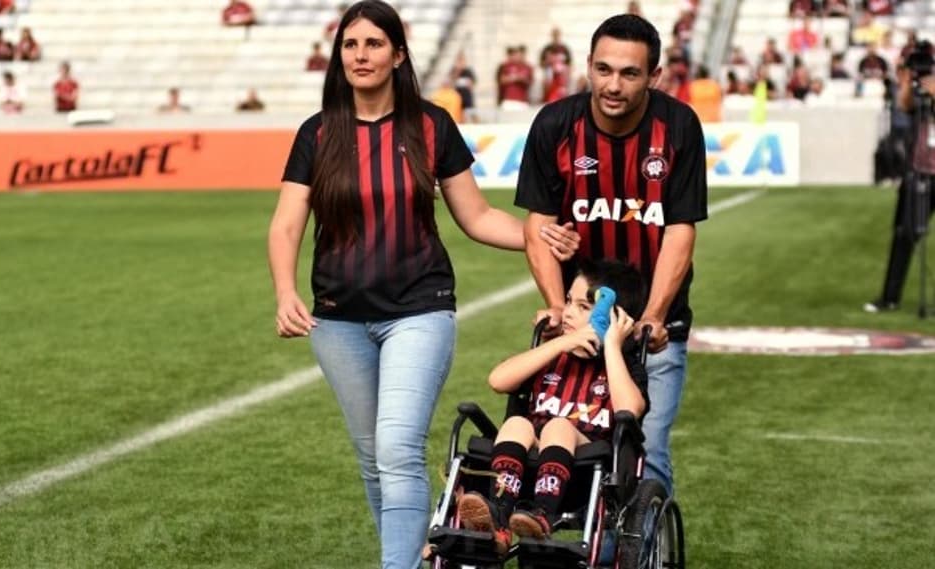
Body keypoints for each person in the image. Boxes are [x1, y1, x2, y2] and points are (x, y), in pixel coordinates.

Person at [267, 3, 579, 568]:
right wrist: (286, 292)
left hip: (419, 309)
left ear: (399, 55)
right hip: (337, 319)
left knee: (397, 449)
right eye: (350, 45)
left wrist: (539, 236)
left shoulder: (431, 125)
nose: (361, 55)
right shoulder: (317, 134)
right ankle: (414, 556)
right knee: (373, 459)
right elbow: (287, 223)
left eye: (374, 44)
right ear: (339, 57)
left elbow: (478, 217)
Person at [514, 13, 708, 497]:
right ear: (588, 67)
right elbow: (537, 227)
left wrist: (654, 316)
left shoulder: (678, 126)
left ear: (655, 77)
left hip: (650, 329)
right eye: (603, 70)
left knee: (647, 450)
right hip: (575, 323)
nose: (613, 85)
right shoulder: (555, 125)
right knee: (547, 433)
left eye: (629, 73)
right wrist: (558, 309)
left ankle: (641, 546)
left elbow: (679, 232)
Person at [454, 259, 648, 553]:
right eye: (569, 301)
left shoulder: (622, 365)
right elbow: (498, 380)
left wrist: (611, 345)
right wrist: (559, 344)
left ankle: (542, 515)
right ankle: (499, 513)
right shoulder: (552, 354)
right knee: (517, 424)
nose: (568, 311)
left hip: (587, 463)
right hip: (530, 456)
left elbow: (629, 410)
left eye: (584, 307)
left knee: (559, 426)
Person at [865, 43, 935, 312]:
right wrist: (906, 82)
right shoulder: (917, 91)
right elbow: (904, 107)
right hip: (918, 171)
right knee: (904, 233)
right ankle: (890, 297)